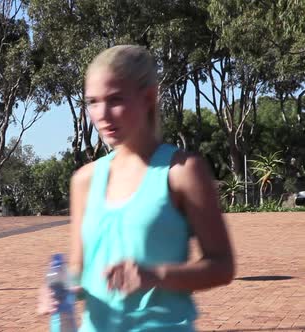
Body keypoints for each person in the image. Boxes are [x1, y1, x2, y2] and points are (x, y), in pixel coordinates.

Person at [38, 45, 235, 331]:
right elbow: (80, 271)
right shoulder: (84, 180)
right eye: (92, 102)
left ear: (148, 98)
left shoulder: (182, 172)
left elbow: (222, 267)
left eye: (115, 99)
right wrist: (59, 292)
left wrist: (154, 275)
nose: (102, 114)